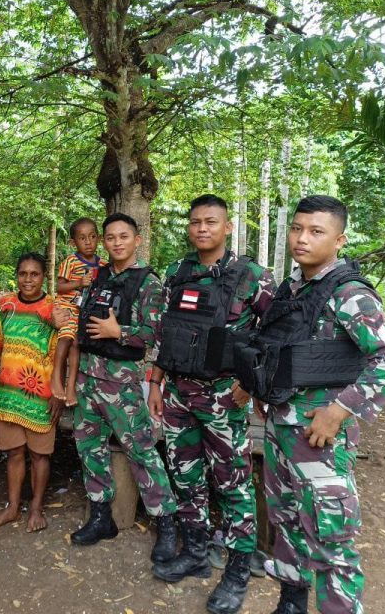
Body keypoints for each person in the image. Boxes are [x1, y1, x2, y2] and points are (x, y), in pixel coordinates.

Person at [236, 196, 385, 614]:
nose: (302, 238)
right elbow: (285, 349)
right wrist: (263, 390)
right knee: (287, 523)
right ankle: (291, 603)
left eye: (316, 231)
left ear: (339, 240)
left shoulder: (348, 293)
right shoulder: (294, 288)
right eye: (297, 228)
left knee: (331, 539)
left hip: (319, 436)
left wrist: (340, 411)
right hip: (281, 428)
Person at [147, 194, 275, 614]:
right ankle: (197, 551)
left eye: (211, 222)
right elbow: (167, 332)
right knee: (185, 476)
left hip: (223, 396)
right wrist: (156, 382)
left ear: (226, 227)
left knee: (233, 484)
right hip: (178, 393)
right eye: (196, 222)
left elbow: (274, 335)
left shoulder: (251, 275)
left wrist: (250, 384)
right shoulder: (177, 271)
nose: (202, 228)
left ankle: (237, 571)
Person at [70, 213, 178, 562]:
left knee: (142, 451)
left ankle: (166, 523)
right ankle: (102, 517)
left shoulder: (148, 283)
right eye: (110, 237)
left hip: (121, 382)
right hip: (88, 377)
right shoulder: (97, 277)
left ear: (137, 240)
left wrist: (120, 333)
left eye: (123, 236)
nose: (116, 242)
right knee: (89, 448)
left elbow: (154, 335)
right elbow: (83, 318)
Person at [0, 252, 62, 533]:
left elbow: (65, 353)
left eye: (34, 274)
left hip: (41, 394)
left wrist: (58, 391)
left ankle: (35, 507)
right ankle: (12, 508)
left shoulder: (55, 308)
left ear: (44, 277)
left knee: (39, 456)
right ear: (17, 275)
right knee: (14, 453)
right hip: (10, 393)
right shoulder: (5, 305)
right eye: (23, 274)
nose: (28, 279)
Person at [51, 217, 105, 407]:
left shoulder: (104, 264)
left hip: (85, 311)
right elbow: (60, 286)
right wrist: (79, 283)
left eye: (92, 236)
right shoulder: (70, 261)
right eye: (82, 238)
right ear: (73, 242)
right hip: (66, 307)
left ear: (99, 238)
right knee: (66, 338)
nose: (88, 242)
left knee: (76, 347)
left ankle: (71, 386)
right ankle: (56, 378)